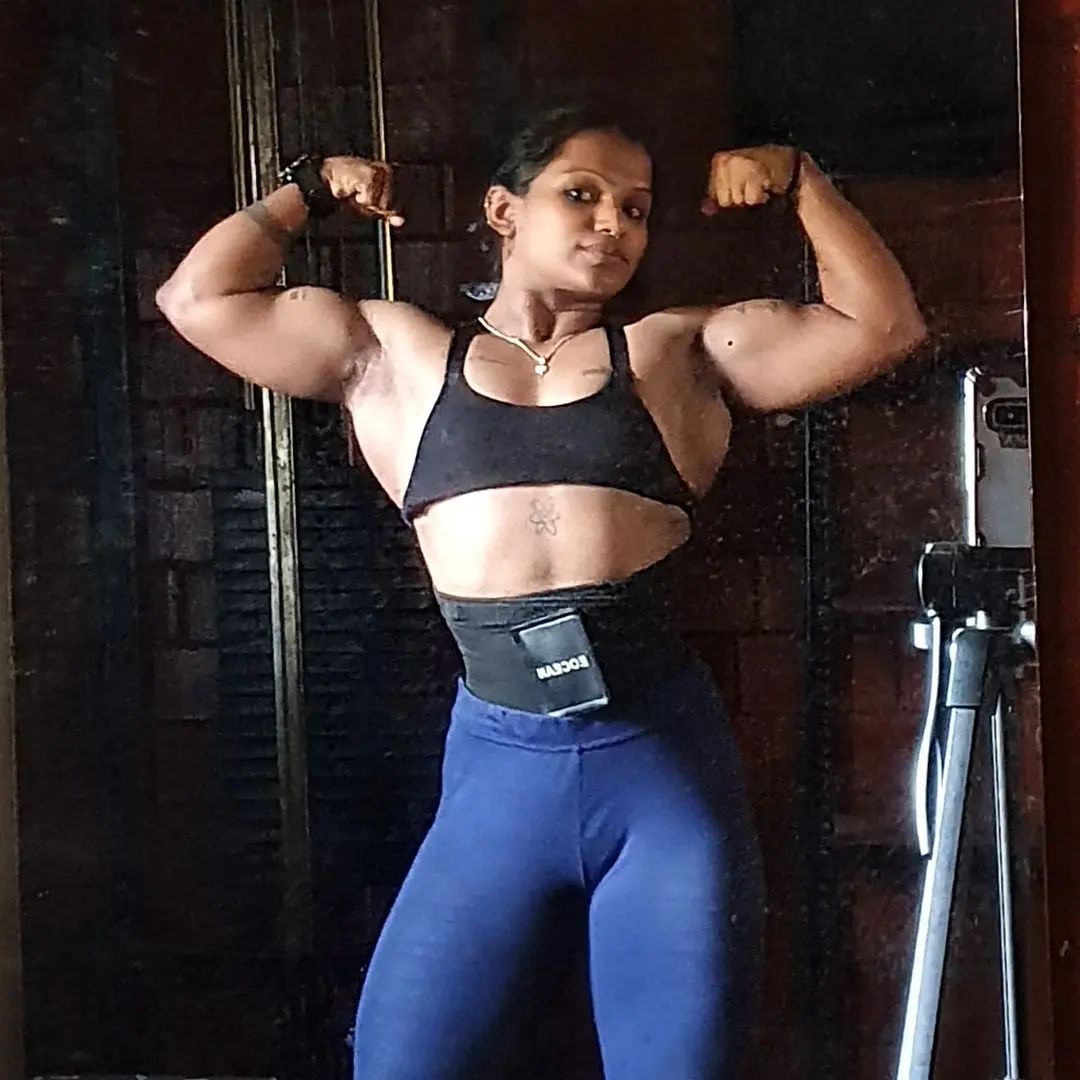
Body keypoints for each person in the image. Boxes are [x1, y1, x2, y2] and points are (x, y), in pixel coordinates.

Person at [157, 103, 926, 1080]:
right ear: (503, 211)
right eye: (582, 195)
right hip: (498, 778)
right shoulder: (395, 356)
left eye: (636, 209)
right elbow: (199, 299)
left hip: (661, 781)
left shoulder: (677, 355)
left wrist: (802, 181)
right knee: (398, 1065)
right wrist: (306, 191)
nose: (614, 224)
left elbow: (884, 326)